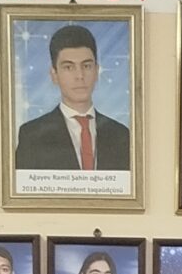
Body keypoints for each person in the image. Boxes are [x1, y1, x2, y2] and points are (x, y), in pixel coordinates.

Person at [14, 24, 131, 172]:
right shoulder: (32, 135)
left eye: (86, 66)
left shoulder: (121, 135)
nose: (80, 76)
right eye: (68, 67)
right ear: (54, 75)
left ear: (96, 71)